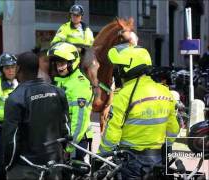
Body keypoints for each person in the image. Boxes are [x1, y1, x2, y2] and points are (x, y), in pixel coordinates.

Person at [98, 44, 180, 179]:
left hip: (130, 161)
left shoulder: (124, 95)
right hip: (157, 159)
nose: (117, 71)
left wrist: (100, 157)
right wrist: (167, 148)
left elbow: (112, 133)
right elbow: (173, 128)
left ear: (129, 68)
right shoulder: (165, 91)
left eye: (119, 67)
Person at [2, 52, 70, 180]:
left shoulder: (15, 98)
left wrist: (8, 165)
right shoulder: (58, 92)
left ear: (19, 68)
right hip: (54, 164)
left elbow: (11, 140)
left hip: (26, 168)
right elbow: (65, 128)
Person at [48, 42, 93, 161]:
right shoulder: (60, 81)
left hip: (76, 140)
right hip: (63, 137)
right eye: (57, 63)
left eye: (62, 63)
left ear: (72, 62)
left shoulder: (79, 84)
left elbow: (79, 120)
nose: (59, 67)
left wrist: (69, 147)